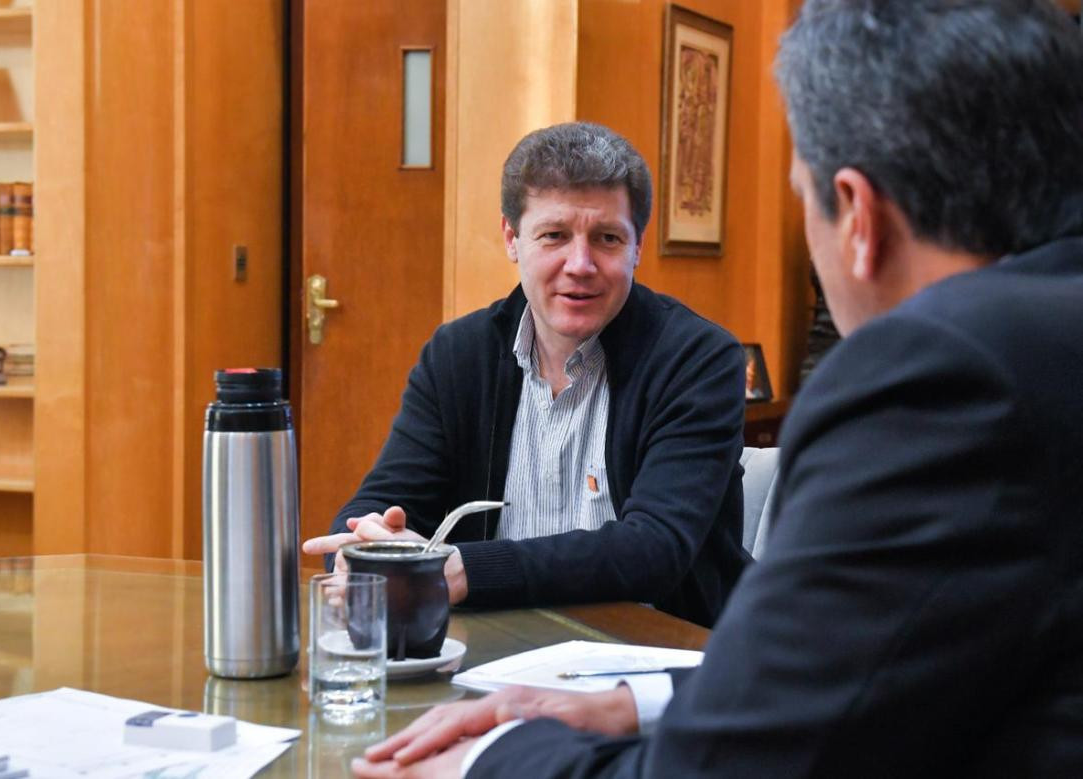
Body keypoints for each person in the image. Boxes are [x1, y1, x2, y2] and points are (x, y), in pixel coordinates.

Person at [351, 0, 1083, 775]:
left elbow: (733, 761)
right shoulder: (1041, 335)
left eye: (802, 198)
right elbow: (910, 662)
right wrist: (638, 701)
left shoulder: (939, 378)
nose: (579, 263)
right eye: (553, 236)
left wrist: (486, 756)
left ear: (858, 215)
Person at [302, 122, 749, 627]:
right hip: (493, 655)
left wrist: (463, 570)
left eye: (606, 238)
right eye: (554, 236)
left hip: (660, 661)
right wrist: (365, 549)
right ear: (512, 238)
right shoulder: (458, 354)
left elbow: (655, 548)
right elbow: (384, 501)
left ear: (637, 247)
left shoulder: (697, 359)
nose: (580, 264)